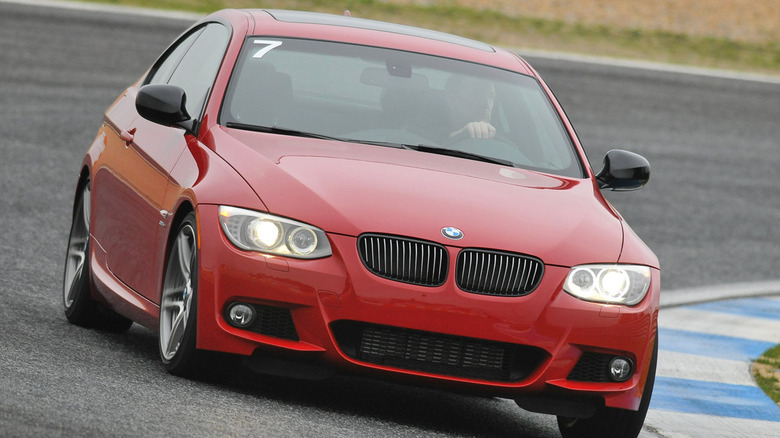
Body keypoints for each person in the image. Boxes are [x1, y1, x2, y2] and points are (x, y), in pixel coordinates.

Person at [444, 74, 496, 140]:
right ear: (452, 100)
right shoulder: (430, 137)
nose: (486, 104)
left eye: (491, 96)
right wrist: (461, 134)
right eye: (476, 94)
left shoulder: (504, 143)